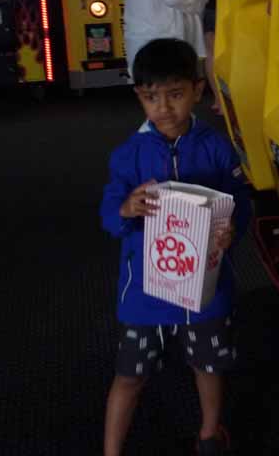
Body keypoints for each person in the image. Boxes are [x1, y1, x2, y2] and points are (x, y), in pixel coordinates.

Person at [100, 38, 251, 456]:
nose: (163, 107)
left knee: (208, 364)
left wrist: (232, 228)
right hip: (144, 293)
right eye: (151, 97)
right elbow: (109, 214)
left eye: (175, 94)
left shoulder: (217, 147)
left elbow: (240, 201)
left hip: (205, 290)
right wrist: (126, 209)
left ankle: (209, 433)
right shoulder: (129, 156)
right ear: (139, 97)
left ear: (198, 90)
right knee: (130, 373)